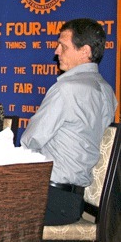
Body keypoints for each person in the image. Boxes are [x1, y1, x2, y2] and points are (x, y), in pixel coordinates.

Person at [20, 18, 117, 226]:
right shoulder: (108, 92)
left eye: (63, 46)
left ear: (85, 51)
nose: (56, 51)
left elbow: (30, 141)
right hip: (73, 201)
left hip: (49, 199)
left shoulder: (66, 89)